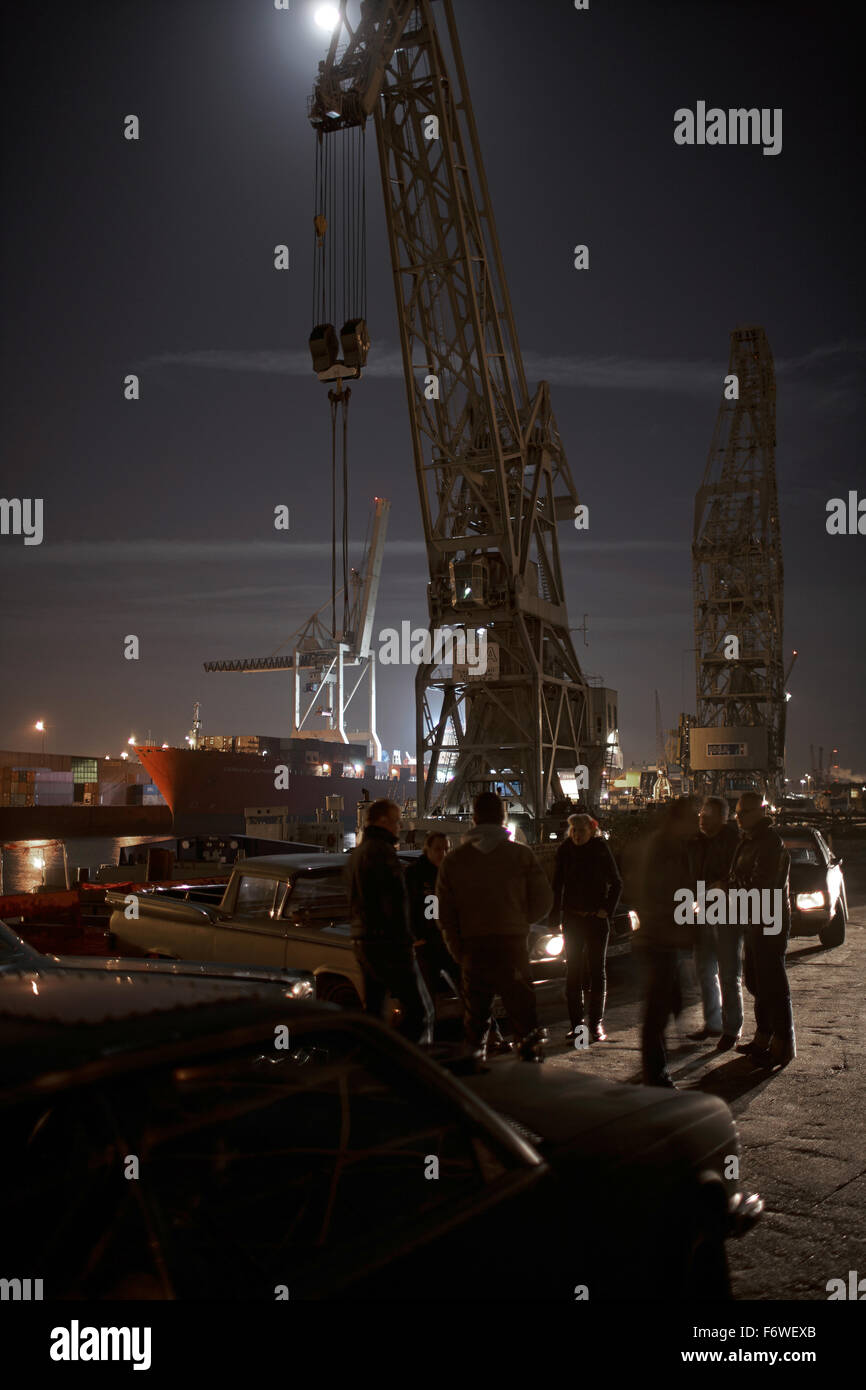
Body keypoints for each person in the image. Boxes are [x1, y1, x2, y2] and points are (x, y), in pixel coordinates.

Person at [436, 791, 553, 1061]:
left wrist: (458, 949)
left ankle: (475, 1073)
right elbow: (544, 899)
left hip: (473, 948)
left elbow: (444, 912)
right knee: (523, 1015)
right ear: (503, 818)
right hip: (511, 945)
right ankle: (530, 1071)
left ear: (473, 819)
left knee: (475, 1020)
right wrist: (521, 921)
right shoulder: (520, 855)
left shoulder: (453, 861)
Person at [347, 798, 433, 1043]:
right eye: (396, 821)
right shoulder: (382, 853)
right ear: (383, 821)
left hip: (363, 940)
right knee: (419, 1012)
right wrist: (405, 942)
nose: (399, 827)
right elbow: (392, 904)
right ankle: (404, 1062)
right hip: (388, 944)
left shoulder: (358, 854)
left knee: (374, 1010)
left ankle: (374, 1062)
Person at [633, 797, 699, 1088]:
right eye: (693, 817)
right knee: (657, 1009)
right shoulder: (665, 848)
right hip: (659, 937)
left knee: (670, 998)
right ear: (679, 819)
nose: (697, 822)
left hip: (661, 936)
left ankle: (663, 1060)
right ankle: (655, 1074)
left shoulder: (667, 844)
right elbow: (666, 892)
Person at [730, 791, 795, 1069]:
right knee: (756, 981)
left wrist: (731, 889)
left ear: (758, 812)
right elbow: (738, 876)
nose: (738, 817)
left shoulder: (769, 843)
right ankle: (763, 1037)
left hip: (769, 920)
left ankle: (783, 1041)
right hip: (753, 919)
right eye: (737, 812)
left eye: (742, 812)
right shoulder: (748, 841)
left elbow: (763, 884)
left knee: (772, 982)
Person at [549, 813, 622, 1042]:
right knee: (573, 972)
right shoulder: (565, 850)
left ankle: (595, 1024)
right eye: (573, 831)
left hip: (594, 919)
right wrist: (555, 916)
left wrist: (606, 909)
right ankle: (577, 1025)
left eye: (581, 831)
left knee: (596, 972)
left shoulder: (600, 849)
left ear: (591, 831)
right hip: (573, 919)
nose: (577, 835)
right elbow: (557, 885)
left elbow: (617, 883)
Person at [688, 796, 743, 1051]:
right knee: (705, 970)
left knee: (729, 972)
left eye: (707, 816)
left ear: (722, 818)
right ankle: (713, 1024)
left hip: (727, 913)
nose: (701, 819)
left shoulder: (733, 842)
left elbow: (735, 877)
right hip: (703, 910)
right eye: (701, 815)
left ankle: (732, 1028)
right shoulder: (699, 842)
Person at [404, 831, 454, 999]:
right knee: (427, 994)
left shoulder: (449, 874)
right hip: (425, 946)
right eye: (438, 849)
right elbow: (406, 906)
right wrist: (416, 937)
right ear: (428, 849)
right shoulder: (414, 874)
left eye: (446, 849)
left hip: (447, 942)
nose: (443, 853)